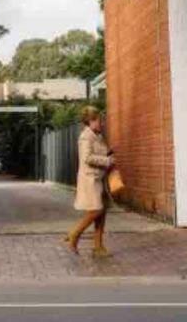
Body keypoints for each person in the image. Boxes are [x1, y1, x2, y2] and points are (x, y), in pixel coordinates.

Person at [65, 106, 114, 258]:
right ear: (91, 121)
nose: (102, 123)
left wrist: (109, 154)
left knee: (101, 212)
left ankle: (98, 247)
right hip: (90, 179)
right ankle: (74, 234)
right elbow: (87, 158)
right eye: (99, 120)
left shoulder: (97, 135)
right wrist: (107, 160)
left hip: (99, 178)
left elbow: (97, 153)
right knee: (96, 210)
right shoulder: (86, 137)